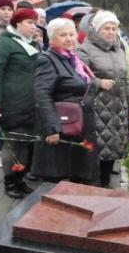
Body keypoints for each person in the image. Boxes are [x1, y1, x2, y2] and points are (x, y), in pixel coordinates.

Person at [32, 18, 115, 184]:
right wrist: (52, 129)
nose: (69, 38)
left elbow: (80, 84)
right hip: (62, 128)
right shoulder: (48, 60)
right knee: (61, 177)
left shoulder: (72, 59)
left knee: (81, 173)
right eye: (63, 35)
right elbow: (42, 95)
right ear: (52, 38)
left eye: (71, 34)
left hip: (79, 125)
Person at [77, 10, 129, 188]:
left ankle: (105, 183)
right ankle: (93, 185)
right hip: (96, 107)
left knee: (113, 147)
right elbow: (77, 78)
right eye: (106, 28)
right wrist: (98, 82)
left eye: (114, 28)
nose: (111, 32)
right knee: (97, 148)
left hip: (118, 106)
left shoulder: (119, 49)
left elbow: (125, 80)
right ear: (97, 29)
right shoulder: (84, 49)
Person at [0, 7, 41, 199]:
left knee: (26, 143)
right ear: (17, 23)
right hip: (12, 104)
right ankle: (10, 182)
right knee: (13, 143)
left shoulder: (33, 44)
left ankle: (20, 179)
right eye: (29, 23)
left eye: (35, 23)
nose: (33, 27)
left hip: (30, 104)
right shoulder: (4, 44)